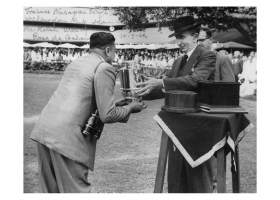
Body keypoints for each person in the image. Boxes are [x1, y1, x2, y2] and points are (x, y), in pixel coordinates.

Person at [30, 32, 146, 193]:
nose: (114, 54)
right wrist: (131, 108)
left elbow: (83, 99)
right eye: (114, 50)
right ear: (107, 50)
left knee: (50, 190)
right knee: (76, 191)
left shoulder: (77, 63)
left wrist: (117, 104)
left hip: (46, 130)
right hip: (67, 138)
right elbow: (108, 115)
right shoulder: (104, 67)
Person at [135, 15, 216, 193]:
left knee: (199, 177)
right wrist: (143, 91)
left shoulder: (207, 56)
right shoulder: (179, 61)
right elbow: (169, 86)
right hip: (177, 125)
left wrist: (161, 82)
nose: (179, 42)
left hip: (198, 125)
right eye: (177, 38)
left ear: (195, 37)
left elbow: (195, 80)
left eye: (183, 37)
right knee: (177, 175)